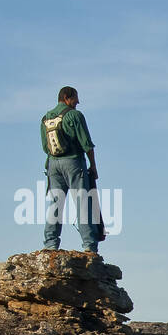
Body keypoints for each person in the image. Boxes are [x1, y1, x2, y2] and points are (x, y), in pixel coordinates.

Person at [39, 86, 101, 253]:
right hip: (73, 162)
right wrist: (93, 165)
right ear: (67, 97)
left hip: (52, 165)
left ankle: (50, 244)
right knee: (82, 202)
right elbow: (86, 144)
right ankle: (89, 245)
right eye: (75, 98)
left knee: (55, 204)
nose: (78, 102)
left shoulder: (46, 118)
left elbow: (45, 147)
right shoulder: (75, 115)